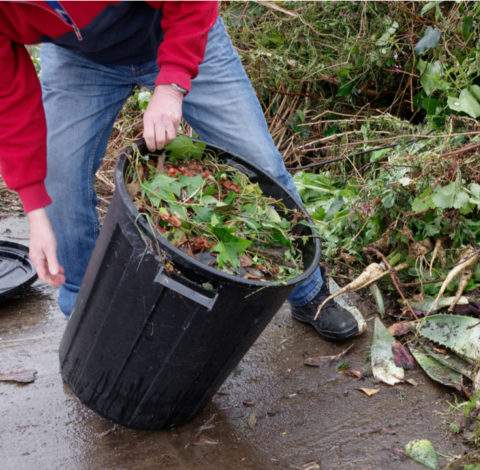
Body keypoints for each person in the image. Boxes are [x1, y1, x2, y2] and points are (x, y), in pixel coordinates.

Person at [0, 1, 360, 341]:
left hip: (173, 29)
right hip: (81, 62)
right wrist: (34, 206)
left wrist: (171, 85)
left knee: (259, 161)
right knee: (57, 180)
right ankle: (83, 309)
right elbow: (8, 99)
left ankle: (311, 294)